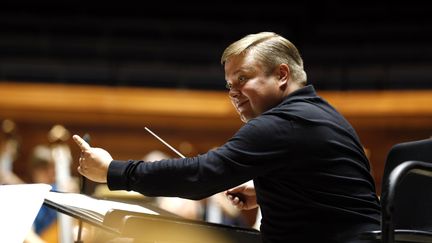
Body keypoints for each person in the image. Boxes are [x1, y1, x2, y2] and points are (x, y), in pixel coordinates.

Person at [72, 32, 381, 243]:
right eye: (229, 84)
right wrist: (266, 192)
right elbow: (329, 192)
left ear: (282, 75)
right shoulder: (322, 114)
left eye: (243, 79)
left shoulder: (284, 122)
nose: (233, 92)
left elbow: (199, 175)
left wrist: (113, 171)